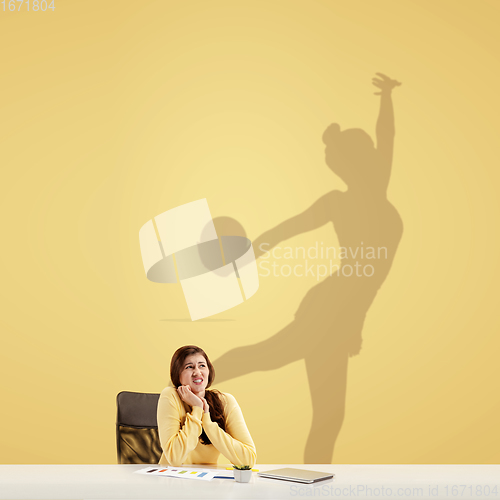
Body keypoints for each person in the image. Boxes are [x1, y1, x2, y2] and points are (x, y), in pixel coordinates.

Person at [157, 345, 257, 467]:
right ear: (177, 374)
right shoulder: (170, 396)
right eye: (189, 367)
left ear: (209, 371)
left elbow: (248, 460)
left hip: (208, 479)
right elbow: (175, 458)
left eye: (202, 365)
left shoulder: (225, 401)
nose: (197, 372)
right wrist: (197, 408)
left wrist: (207, 421)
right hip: (172, 479)